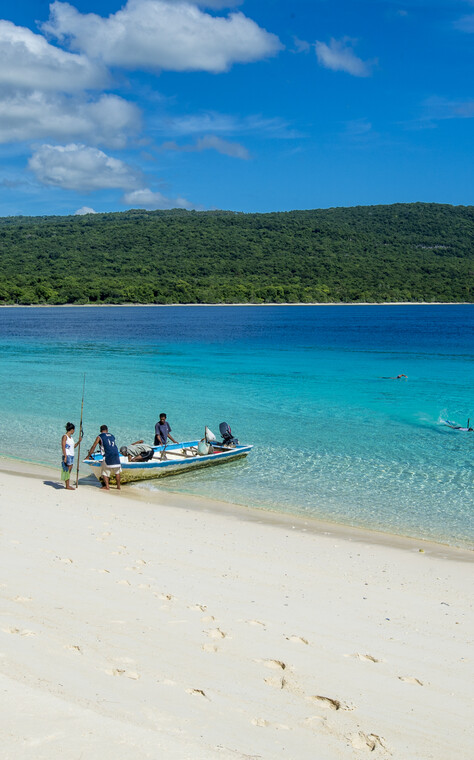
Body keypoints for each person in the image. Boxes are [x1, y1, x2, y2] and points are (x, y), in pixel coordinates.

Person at [88, 425, 122, 490]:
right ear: (107, 430)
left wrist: (88, 456)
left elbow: (94, 446)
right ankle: (118, 487)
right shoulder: (112, 436)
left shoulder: (99, 437)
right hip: (116, 455)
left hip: (108, 456)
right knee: (117, 472)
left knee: (104, 472)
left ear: (100, 431)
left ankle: (107, 486)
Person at [61, 422, 82, 490]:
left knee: (69, 470)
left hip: (72, 455)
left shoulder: (71, 438)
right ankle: (67, 485)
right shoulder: (65, 436)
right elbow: (63, 446)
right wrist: (65, 456)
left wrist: (79, 441)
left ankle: (67, 484)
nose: (74, 431)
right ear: (72, 429)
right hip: (68, 455)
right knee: (67, 470)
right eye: (74, 430)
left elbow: (74, 446)